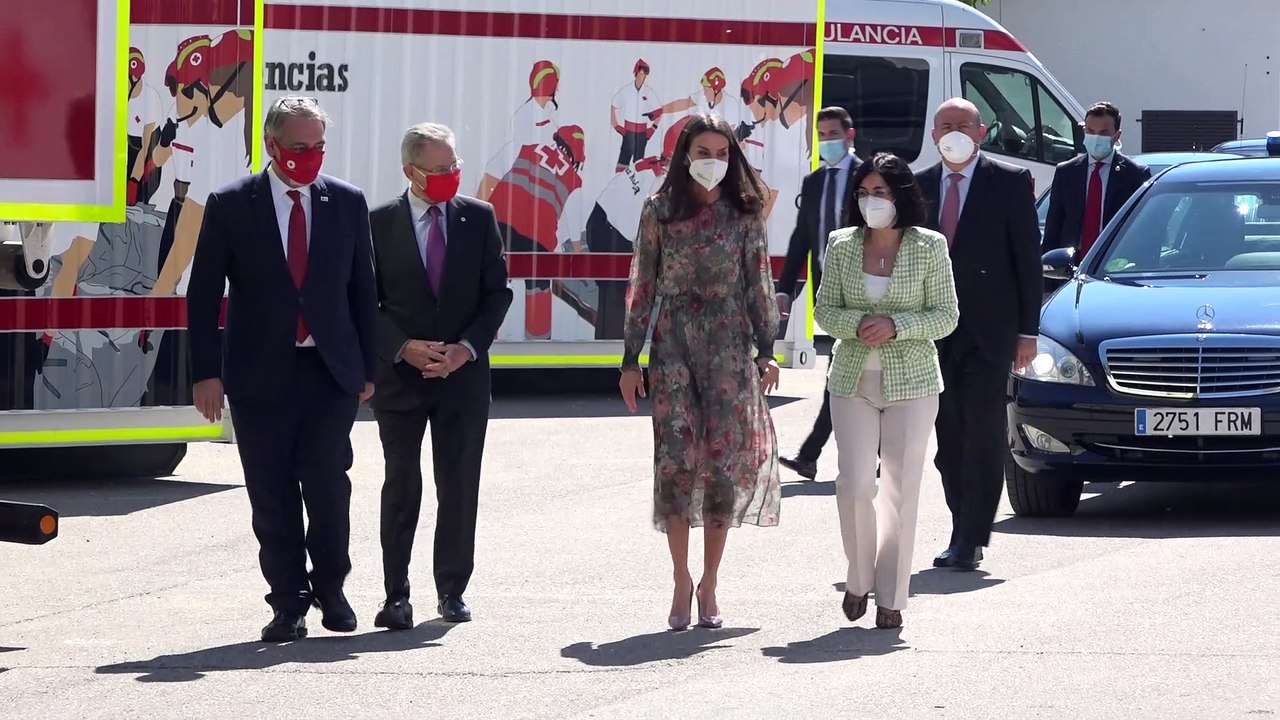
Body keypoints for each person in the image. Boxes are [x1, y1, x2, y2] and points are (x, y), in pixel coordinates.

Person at [187, 96, 378, 642]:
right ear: (271, 146)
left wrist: (368, 367)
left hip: (329, 370)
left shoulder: (345, 201)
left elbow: (364, 289)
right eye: (299, 147)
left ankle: (332, 589)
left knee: (326, 485)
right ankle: (288, 600)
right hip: (258, 373)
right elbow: (203, 296)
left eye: (318, 146)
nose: (310, 156)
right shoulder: (230, 203)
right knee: (271, 491)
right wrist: (206, 373)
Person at [619, 113, 782, 631]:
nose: (712, 162)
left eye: (721, 153)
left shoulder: (744, 212)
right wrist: (630, 358)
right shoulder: (659, 210)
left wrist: (767, 349)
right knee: (675, 460)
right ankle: (679, 578)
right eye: (703, 151)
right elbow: (642, 285)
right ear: (684, 154)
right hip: (673, 347)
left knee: (720, 464)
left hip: (730, 346)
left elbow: (759, 282)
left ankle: (710, 580)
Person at [368, 123, 513, 629]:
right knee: (401, 486)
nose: (452, 176)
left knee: (458, 486)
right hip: (401, 381)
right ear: (410, 171)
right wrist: (401, 347)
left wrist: (466, 349)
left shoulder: (479, 217)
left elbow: (498, 293)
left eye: (456, 166)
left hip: (463, 380)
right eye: (440, 169)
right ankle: (395, 595)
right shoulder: (378, 222)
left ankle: (451, 590)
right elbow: (365, 301)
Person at [815, 152, 959, 629]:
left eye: (879, 192)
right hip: (852, 378)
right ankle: (859, 577)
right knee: (855, 483)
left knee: (900, 488)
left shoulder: (929, 246)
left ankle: (892, 596)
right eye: (863, 193)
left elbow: (946, 316)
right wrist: (858, 324)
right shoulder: (841, 244)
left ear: (900, 195)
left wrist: (897, 325)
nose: (870, 201)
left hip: (913, 382)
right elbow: (824, 312)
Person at [915, 98, 1042, 571]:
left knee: (983, 432)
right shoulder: (919, 186)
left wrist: (1027, 332)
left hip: (991, 332)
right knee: (948, 438)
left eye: (963, 125)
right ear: (933, 135)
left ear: (982, 131)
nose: (954, 132)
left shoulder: (1008, 181)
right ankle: (959, 523)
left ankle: (971, 536)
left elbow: (1028, 260)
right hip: (932, 333)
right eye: (945, 125)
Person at [776, 106, 862, 480]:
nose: (827, 141)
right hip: (828, 289)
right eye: (822, 135)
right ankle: (862, 452)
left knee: (841, 373)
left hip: (863, 289)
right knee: (847, 372)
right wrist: (785, 289)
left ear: (850, 135)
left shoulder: (868, 175)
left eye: (833, 134)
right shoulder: (814, 182)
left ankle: (811, 452)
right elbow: (802, 238)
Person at [1043, 101, 1151, 256]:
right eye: (1091, 132)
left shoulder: (1134, 174)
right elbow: (1053, 229)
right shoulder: (1066, 172)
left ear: (1117, 135)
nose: (1096, 137)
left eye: (1103, 133)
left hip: (1114, 264)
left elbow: (1142, 229)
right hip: (1071, 267)